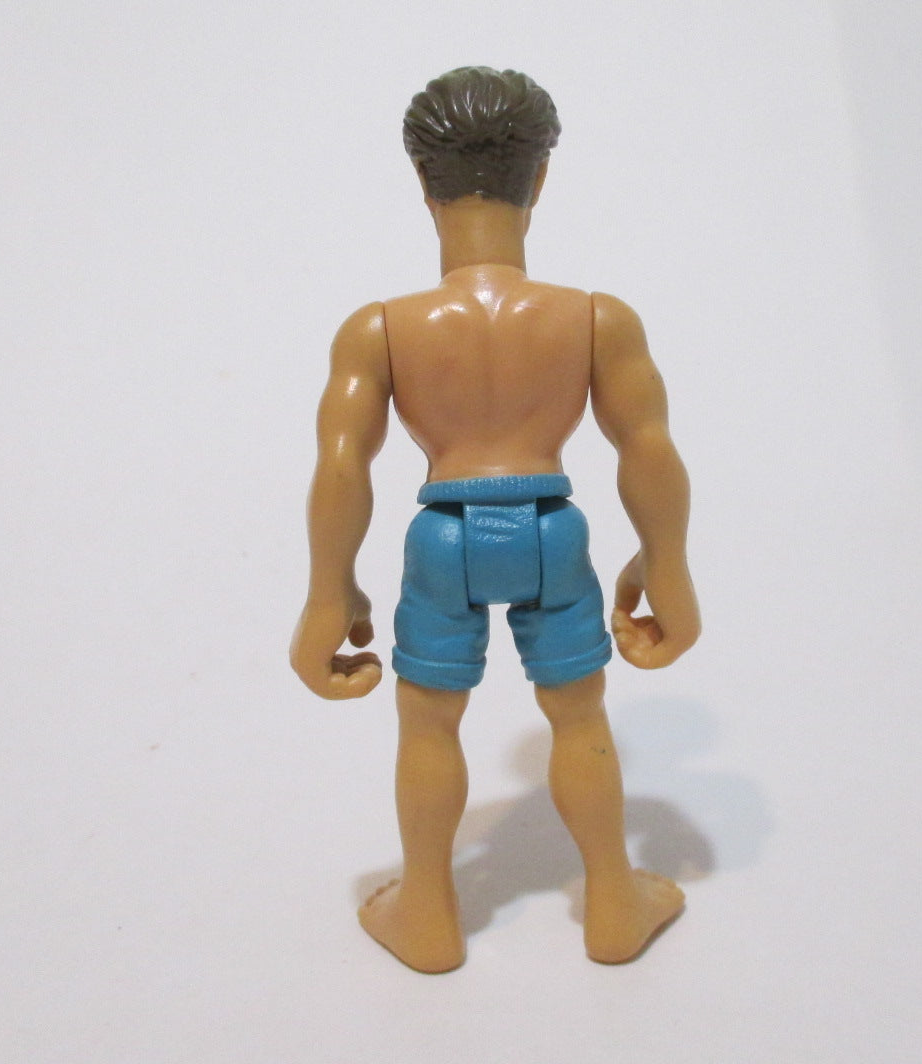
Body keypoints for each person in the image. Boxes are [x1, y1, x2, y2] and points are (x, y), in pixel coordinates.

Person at [290, 67, 700, 973]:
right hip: (554, 532)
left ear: (420, 179)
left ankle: (428, 913)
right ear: (540, 177)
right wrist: (666, 565)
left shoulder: (381, 328)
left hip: (443, 541)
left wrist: (328, 593)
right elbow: (647, 447)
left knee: (429, 724)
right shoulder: (595, 318)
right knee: (579, 716)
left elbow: (342, 464)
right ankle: (613, 903)